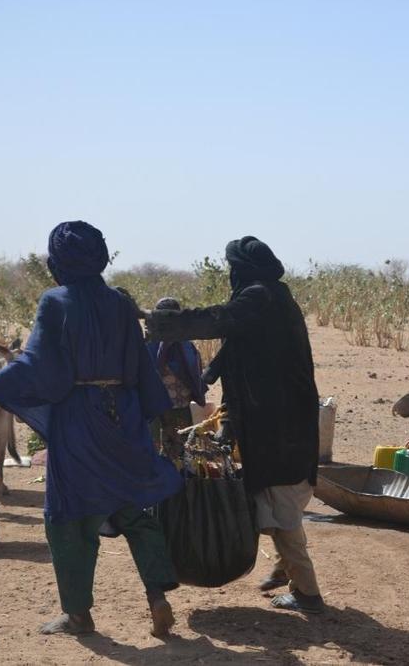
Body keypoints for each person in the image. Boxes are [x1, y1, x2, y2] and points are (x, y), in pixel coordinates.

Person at [0, 221, 182, 638]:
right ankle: (157, 595)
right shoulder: (120, 303)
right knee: (133, 507)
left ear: (57, 262)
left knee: (69, 518)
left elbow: (36, 367)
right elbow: (141, 365)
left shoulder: (55, 302)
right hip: (124, 417)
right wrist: (153, 421)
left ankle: (78, 615)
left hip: (78, 421)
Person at [146, 236, 324, 614]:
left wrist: (164, 323)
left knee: (281, 505)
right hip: (277, 422)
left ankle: (307, 591)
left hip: (281, 426)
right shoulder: (273, 299)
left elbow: (220, 318)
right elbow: (238, 343)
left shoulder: (260, 297)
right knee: (272, 499)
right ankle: (285, 568)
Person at [145, 297, 208, 458]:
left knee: (172, 445)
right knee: (176, 444)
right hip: (169, 403)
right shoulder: (181, 343)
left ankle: (175, 474)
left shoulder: (154, 342)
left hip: (165, 403)